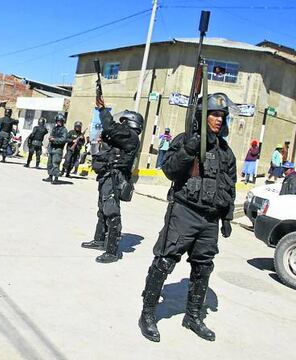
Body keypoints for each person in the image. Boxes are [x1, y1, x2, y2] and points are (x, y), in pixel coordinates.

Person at [138, 93, 236, 343]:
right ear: (202, 116)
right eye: (214, 114)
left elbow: (230, 184)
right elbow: (170, 170)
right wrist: (190, 148)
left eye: (222, 115)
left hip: (210, 219)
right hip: (185, 212)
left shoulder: (226, 152)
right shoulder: (186, 140)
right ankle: (147, 314)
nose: (218, 119)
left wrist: (227, 216)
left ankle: (192, 316)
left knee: (203, 267)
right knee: (164, 260)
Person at [81, 103, 143, 263]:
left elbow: (110, 126)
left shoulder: (131, 137)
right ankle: (99, 240)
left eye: (124, 122)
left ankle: (112, 251)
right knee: (102, 210)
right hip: (107, 176)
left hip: (115, 178)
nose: (121, 125)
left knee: (112, 213)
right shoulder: (124, 139)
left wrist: (102, 110)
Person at [43, 114, 68, 183]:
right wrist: (50, 140)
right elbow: (51, 136)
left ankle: (56, 178)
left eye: (60, 121)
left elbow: (63, 140)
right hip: (52, 148)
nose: (59, 122)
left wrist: (54, 139)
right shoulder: (54, 128)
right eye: (58, 121)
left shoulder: (64, 130)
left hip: (58, 149)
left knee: (55, 164)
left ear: (63, 121)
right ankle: (50, 177)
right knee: (50, 164)